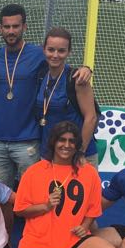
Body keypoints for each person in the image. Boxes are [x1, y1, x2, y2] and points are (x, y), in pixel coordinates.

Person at [13, 121, 121, 248]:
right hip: (39, 244)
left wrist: (85, 226)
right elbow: (20, 210)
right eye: (62, 140)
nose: (67, 145)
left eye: (72, 141)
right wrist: (45, 206)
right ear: (53, 142)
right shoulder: (34, 172)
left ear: (77, 145)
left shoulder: (89, 173)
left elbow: (93, 209)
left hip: (73, 242)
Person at [0, 4, 91, 190]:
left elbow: (60, 62)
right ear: (0, 29)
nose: (11, 31)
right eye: (7, 27)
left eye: (16, 26)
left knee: (35, 194)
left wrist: (85, 69)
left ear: (24, 27)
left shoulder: (39, 54)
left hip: (28, 141)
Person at [36, 27, 99, 164]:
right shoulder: (41, 75)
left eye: (61, 51)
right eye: (51, 49)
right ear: (44, 49)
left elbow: (91, 118)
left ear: (69, 52)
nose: (55, 55)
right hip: (49, 154)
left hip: (77, 155)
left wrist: (80, 152)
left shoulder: (77, 79)